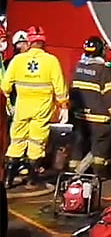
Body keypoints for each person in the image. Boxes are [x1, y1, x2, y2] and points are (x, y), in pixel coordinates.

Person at [2, 26, 69, 189]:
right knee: (36, 143)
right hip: (42, 108)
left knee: (16, 141)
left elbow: (5, 86)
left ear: (29, 42)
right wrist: (64, 107)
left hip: (22, 106)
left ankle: (8, 180)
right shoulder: (51, 61)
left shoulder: (18, 60)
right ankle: (32, 180)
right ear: (43, 42)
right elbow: (60, 87)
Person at [68, 37, 111, 179]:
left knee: (79, 144)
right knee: (101, 146)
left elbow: (72, 91)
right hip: (99, 118)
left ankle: (73, 172)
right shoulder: (103, 70)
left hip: (80, 116)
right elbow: (108, 95)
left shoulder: (79, 67)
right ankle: (99, 174)